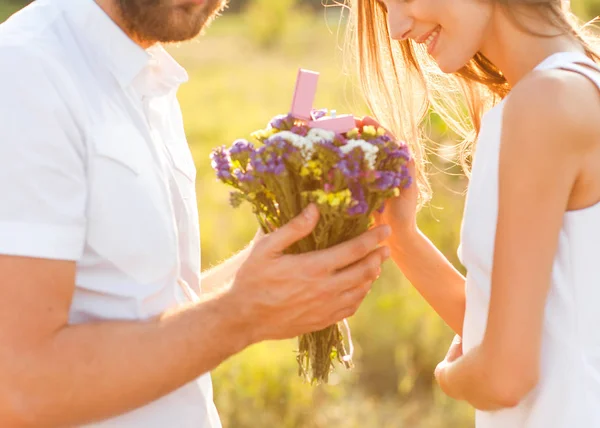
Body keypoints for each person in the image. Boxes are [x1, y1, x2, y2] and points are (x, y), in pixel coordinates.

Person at [0, 0, 392, 426]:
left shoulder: (146, 70)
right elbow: (20, 385)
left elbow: (147, 305)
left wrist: (278, 258)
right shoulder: (25, 74)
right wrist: (242, 315)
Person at [350, 0, 600, 426]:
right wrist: (400, 234)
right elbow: (527, 326)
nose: (395, 27)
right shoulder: (551, 92)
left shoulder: (546, 102)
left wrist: (449, 377)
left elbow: (505, 376)